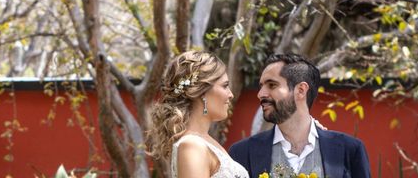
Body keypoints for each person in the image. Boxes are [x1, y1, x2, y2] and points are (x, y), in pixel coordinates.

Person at [229, 53, 371, 178]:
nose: (261, 94)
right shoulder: (242, 153)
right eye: (261, 86)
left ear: (301, 90)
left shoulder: (350, 150)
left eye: (272, 85)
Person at [148, 50, 249, 178]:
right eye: (225, 86)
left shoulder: (204, 141)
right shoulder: (192, 146)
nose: (231, 94)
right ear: (202, 93)